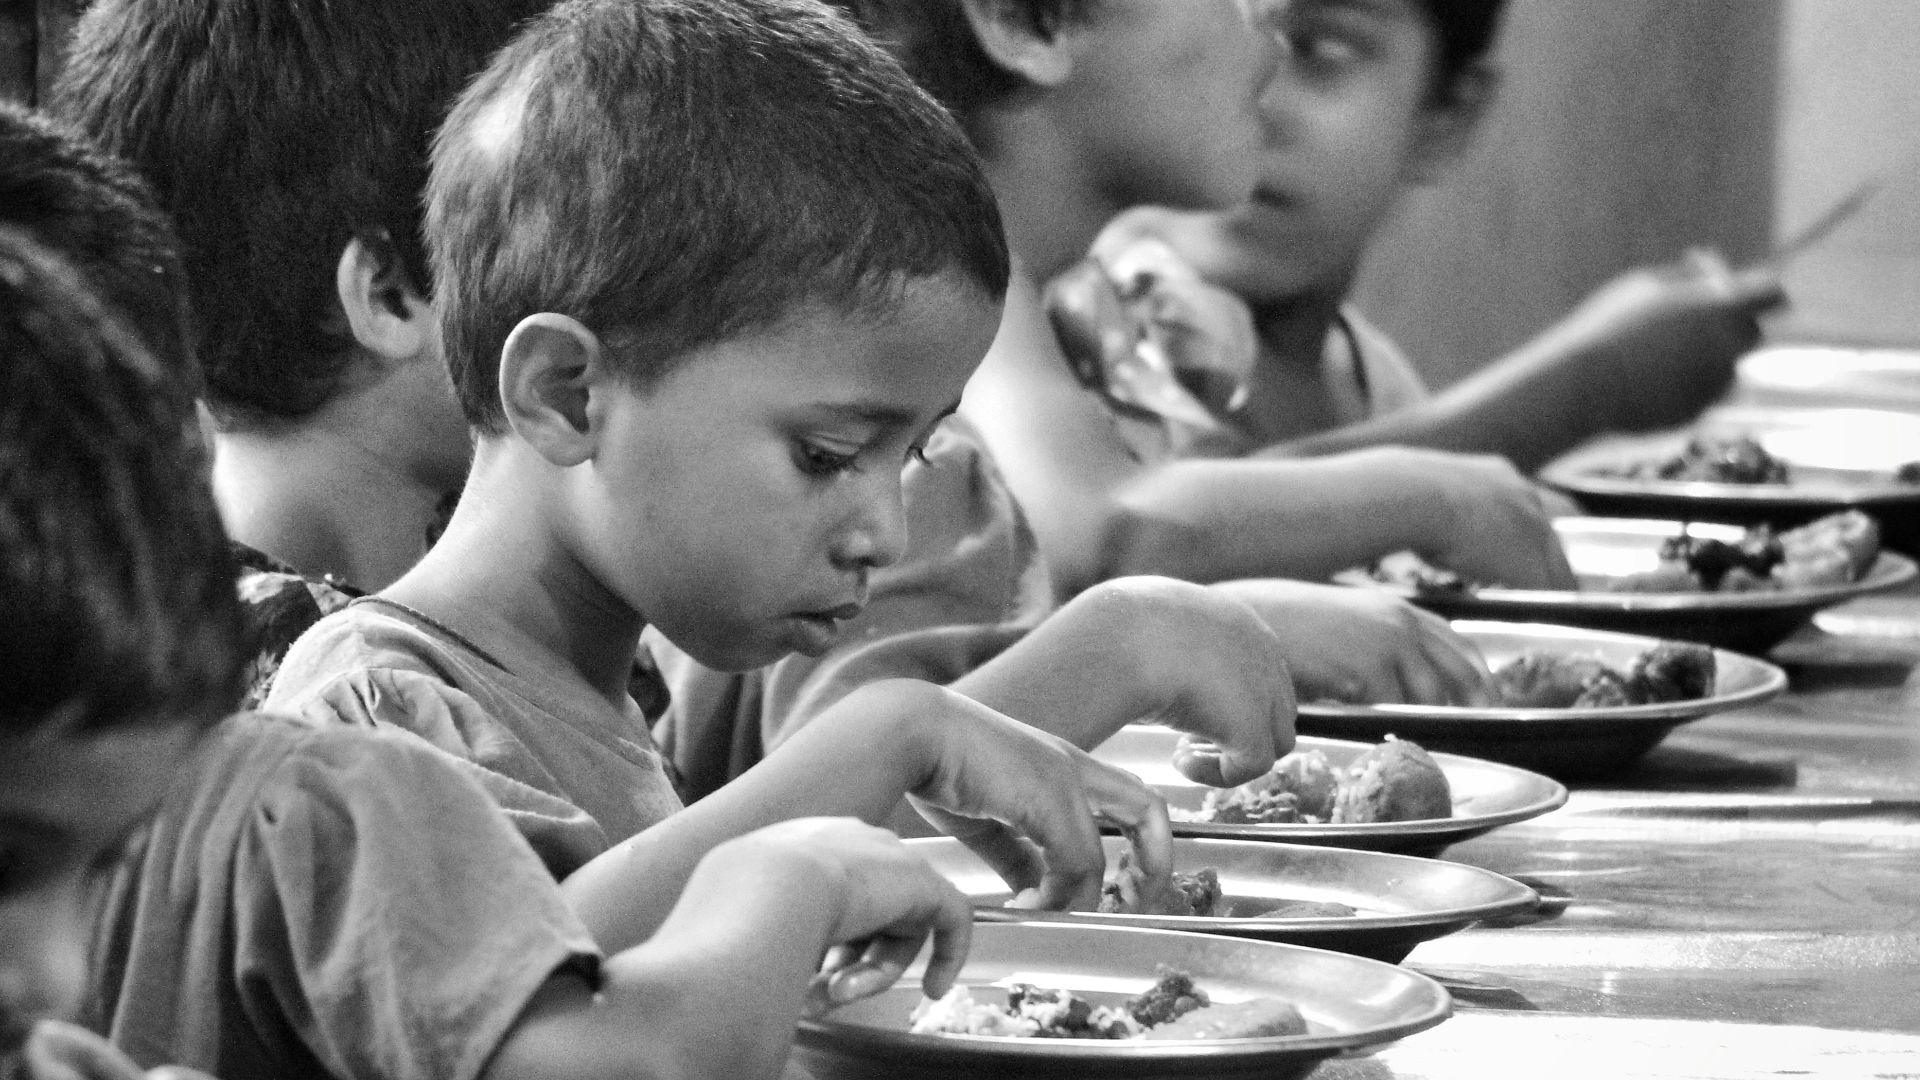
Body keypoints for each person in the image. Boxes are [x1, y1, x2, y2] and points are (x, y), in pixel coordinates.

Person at [263, 0, 1208, 959]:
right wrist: (889, 738)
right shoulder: (374, 718)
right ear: (568, 397)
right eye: (828, 456)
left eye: (912, 453)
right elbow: (518, 999)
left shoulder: (613, 713)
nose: (883, 530)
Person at [0, 228, 975, 1080]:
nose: (57, 974)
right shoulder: (343, 760)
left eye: (100, 877)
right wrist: (790, 874)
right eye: (825, 451)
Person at [830, 0, 1577, 597]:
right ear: (1030, 18)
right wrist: (1439, 491)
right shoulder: (932, 289)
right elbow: (1101, 538)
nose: (1272, 30)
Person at [1084, 0, 1786, 474]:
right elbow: (1174, 544)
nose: (1254, 96)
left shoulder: (1374, 382)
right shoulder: (1091, 317)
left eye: (1320, 49)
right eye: (1218, 20)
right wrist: (1584, 385)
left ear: (1448, 117)